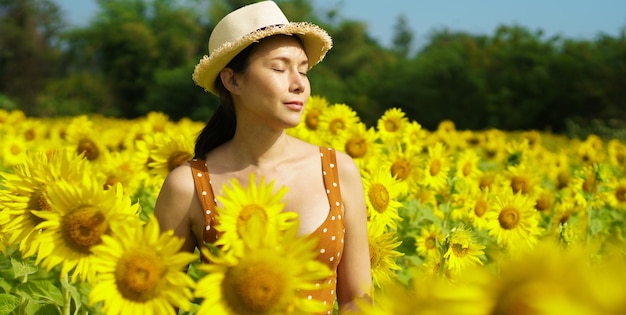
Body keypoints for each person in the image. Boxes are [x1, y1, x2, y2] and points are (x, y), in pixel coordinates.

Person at [154, 1, 372, 314]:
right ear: (233, 81)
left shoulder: (337, 170)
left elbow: (356, 301)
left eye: (303, 70)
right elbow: (160, 303)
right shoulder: (187, 186)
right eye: (279, 68)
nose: (298, 84)